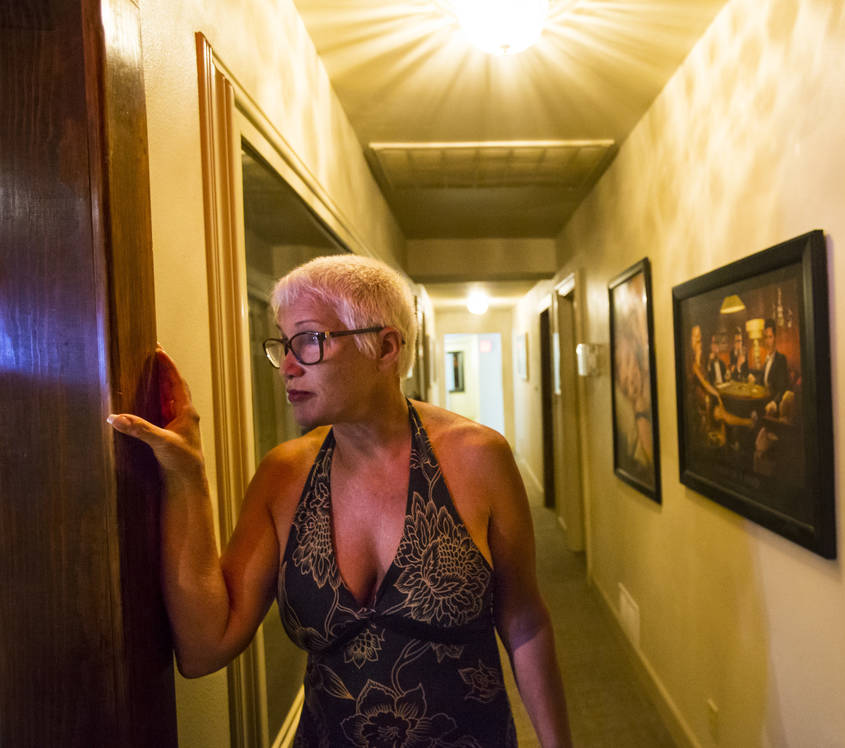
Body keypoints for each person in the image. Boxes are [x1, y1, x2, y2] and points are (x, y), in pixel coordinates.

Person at [107, 255, 572, 747]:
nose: (287, 366)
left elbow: (523, 621)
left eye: (309, 340)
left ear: (386, 348)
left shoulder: (479, 458)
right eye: (284, 344)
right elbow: (205, 648)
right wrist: (186, 476)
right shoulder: (284, 476)